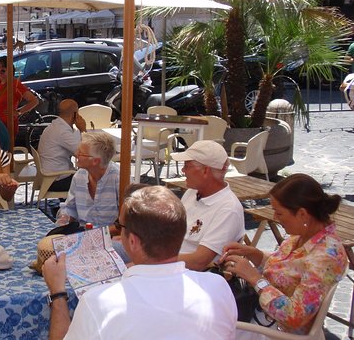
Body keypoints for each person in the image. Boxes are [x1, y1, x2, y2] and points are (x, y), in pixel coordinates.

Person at [42, 185, 237, 339]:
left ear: (133, 241)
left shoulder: (99, 302)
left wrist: (57, 293)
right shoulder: (218, 288)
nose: (117, 231)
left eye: (120, 226)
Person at [221, 173, 348, 336]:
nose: (275, 218)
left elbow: (294, 317)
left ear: (302, 214)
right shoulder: (302, 236)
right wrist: (254, 254)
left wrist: (255, 279)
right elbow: (286, 269)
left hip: (277, 332)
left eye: (279, 213)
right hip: (262, 318)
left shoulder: (326, 256)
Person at [170, 140, 245, 271]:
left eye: (187, 166)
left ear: (205, 170)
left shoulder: (228, 209)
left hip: (190, 275)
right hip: (169, 262)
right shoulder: (192, 192)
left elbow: (199, 262)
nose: (182, 170)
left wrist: (152, 262)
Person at [56, 132, 119, 232]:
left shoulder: (118, 179)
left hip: (111, 237)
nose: (76, 154)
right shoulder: (79, 176)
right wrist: (64, 219)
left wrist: (98, 235)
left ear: (95, 161)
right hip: (83, 233)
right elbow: (70, 208)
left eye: (81, 153)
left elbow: (126, 223)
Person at [38, 99, 87, 192]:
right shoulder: (62, 131)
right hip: (55, 180)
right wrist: (83, 130)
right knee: (94, 180)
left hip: (49, 177)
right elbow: (82, 153)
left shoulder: (56, 126)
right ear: (75, 114)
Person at [0, 55, 39, 135]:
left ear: (9, 69)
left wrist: (18, 112)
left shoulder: (15, 84)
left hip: (7, 125)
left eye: (3, 67)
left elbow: (34, 101)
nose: (0, 70)